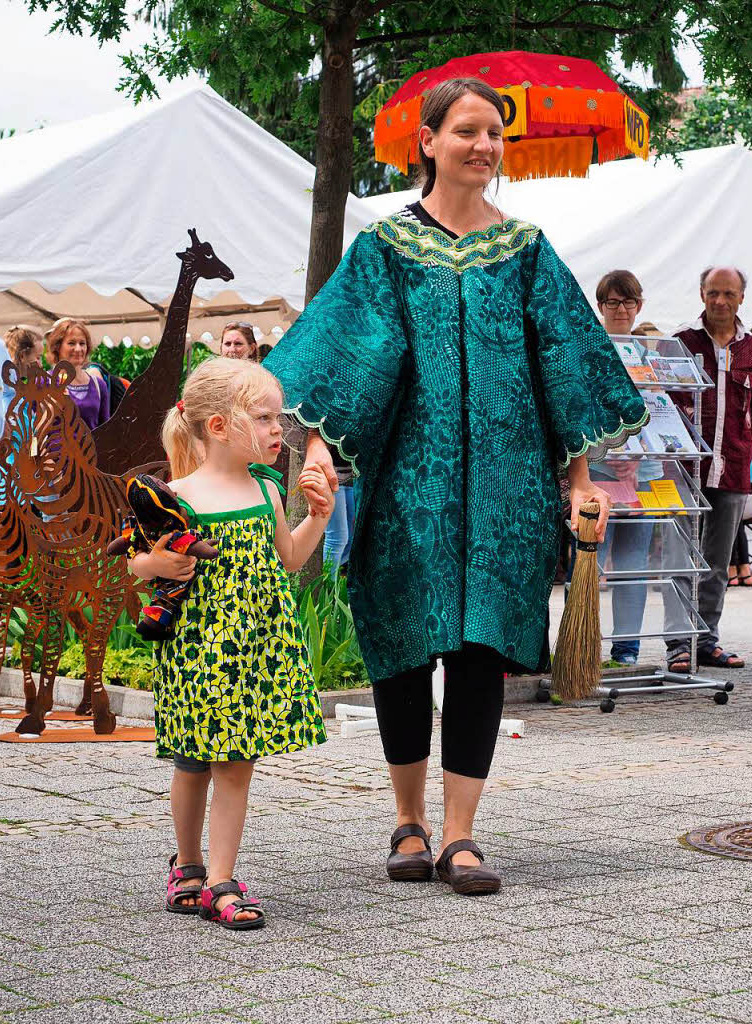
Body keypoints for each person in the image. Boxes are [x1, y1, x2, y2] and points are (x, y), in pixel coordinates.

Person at [265, 78, 646, 895]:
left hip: (507, 493)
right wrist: (321, 453)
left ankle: (462, 835)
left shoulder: (528, 252)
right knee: (403, 648)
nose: (483, 146)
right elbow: (341, 361)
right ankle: (407, 820)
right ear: (428, 142)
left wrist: (579, 479)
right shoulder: (386, 251)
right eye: (467, 131)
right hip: (410, 484)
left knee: (479, 654)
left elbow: (564, 376)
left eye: (494, 135)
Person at [128, 357, 332, 930]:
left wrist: (319, 516)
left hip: (256, 645)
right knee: (192, 760)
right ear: (218, 427)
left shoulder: (266, 488)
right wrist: (158, 562)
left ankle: (220, 879)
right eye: (265, 418)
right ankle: (188, 868)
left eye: (279, 418)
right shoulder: (177, 497)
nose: (278, 430)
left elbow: (289, 558)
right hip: (198, 648)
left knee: (236, 763)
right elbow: (137, 565)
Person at [666, 267, 752, 672]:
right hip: (685, 468)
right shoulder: (680, 342)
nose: (720, 301)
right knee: (679, 559)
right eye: (712, 293)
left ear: (742, 297)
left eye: (728, 294)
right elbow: (662, 405)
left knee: (717, 563)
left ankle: (706, 640)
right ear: (701, 293)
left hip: (734, 467)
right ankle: (676, 645)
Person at [586, 271, 662, 664]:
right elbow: (581, 412)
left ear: (639, 306)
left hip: (643, 476)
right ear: (600, 306)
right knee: (589, 563)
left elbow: (659, 413)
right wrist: (612, 454)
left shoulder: (650, 354)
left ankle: (626, 650)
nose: (620, 309)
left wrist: (636, 455)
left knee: (634, 566)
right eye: (612, 302)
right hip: (598, 474)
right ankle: (581, 648)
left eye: (628, 301)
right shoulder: (588, 349)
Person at [45, 318, 110, 429]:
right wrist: (54, 407)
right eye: (71, 343)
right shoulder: (45, 381)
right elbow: (34, 431)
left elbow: (106, 430)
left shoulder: (98, 385)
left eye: (82, 343)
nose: (78, 349)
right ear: (58, 347)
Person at [323, 452, 355, 579]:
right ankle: (328, 591)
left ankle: (338, 581)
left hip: (352, 475)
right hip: (332, 474)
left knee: (351, 536)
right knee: (338, 537)